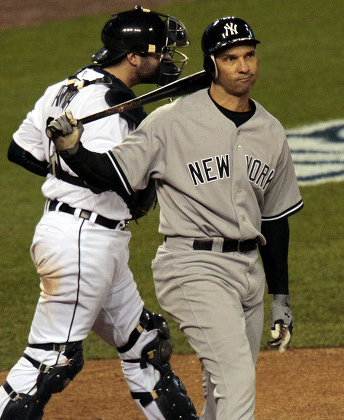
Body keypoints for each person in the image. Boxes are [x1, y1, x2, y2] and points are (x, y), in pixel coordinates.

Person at [46, 16, 304, 420]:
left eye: (250, 55)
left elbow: (274, 220)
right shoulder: (171, 120)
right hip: (192, 267)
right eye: (231, 57)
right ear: (212, 63)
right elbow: (117, 173)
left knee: (224, 390)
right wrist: (74, 149)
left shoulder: (270, 131)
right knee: (236, 381)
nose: (244, 66)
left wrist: (281, 296)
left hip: (249, 273)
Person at [0, 6, 199, 420]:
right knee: (48, 363)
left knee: (145, 343)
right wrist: (87, 171)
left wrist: (69, 168)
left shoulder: (66, 88)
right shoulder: (111, 104)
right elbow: (130, 188)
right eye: (161, 52)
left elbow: (23, 150)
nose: (167, 60)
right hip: (83, 242)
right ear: (135, 56)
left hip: (85, 237)